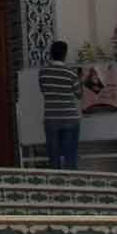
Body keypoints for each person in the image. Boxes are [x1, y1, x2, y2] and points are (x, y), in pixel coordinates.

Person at [39, 39, 84, 169]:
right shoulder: (71, 73)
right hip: (70, 119)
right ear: (64, 54)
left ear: (51, 54)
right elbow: (79, 95)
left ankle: (56, 185)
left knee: (54, 158)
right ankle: (71, 185)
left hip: (51, 119)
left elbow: (44, 91)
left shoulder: (43, 73)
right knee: (70, 157)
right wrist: (80, 81)